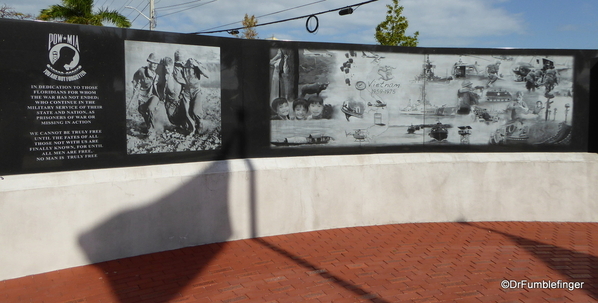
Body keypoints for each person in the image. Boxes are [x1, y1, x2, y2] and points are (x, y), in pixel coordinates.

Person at [180, 58, 210, 135]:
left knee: (196, 111)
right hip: (186, 91)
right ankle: (192, 129)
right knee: (187, 112)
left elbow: (207, 75)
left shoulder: (197, 67)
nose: (189, 70)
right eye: (187, 68)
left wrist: (197, 66)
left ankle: (201, 125)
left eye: (191, 68)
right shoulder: (183, 67)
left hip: (196, 91)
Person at [132, 53, 160, 128]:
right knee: (141, 109)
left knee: (150, 109)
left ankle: (152, 130)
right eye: (152, 63)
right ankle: (149, 125)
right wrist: (135, 86)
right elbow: (135, 77)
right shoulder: (142, 71)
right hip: (143, 95)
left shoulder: (159, 72)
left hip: (154, 95)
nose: (154, 65)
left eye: (156, 64)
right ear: (149, 62)